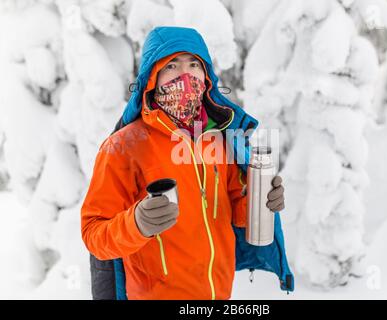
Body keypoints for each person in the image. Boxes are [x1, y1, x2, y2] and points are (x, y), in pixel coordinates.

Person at [81, 26, 293, 300]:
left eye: (194, 64)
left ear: (206, 78)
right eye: (172, 65)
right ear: (151, 79)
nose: (185, 74)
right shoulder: (124, 147)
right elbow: (94, 234)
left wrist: (261, 200)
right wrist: (136, 224)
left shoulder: (219, 137)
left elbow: (235, 212)